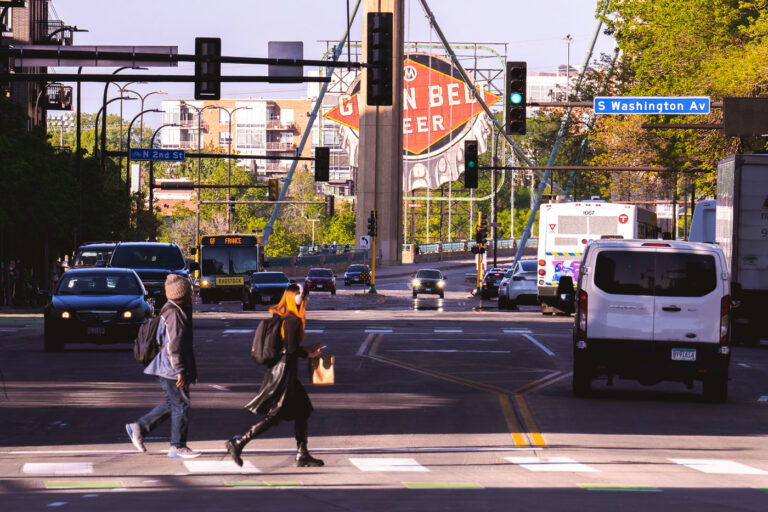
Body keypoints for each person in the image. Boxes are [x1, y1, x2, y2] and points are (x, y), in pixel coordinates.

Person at [225, 284, 325, 468]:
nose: (305, 301)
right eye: (303, 297)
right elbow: (291, 351)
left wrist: (306, 349)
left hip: (283, 372)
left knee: (303, 411)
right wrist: (308, 354)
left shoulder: (281, 317)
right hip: (284, 375)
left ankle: (302, 453)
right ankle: (238, 443)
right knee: (274, 416)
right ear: (296, 299)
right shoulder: (292, 321)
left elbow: (286, 348)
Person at [125, 274, 200, 458]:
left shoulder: (170, 310)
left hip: (165, 366)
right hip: (170, 367)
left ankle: (139, 428)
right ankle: (177, 445)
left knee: (173, 404)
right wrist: (180, 370)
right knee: (181, 405)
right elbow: (174, 344)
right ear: (182, 293)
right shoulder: (174, 313)